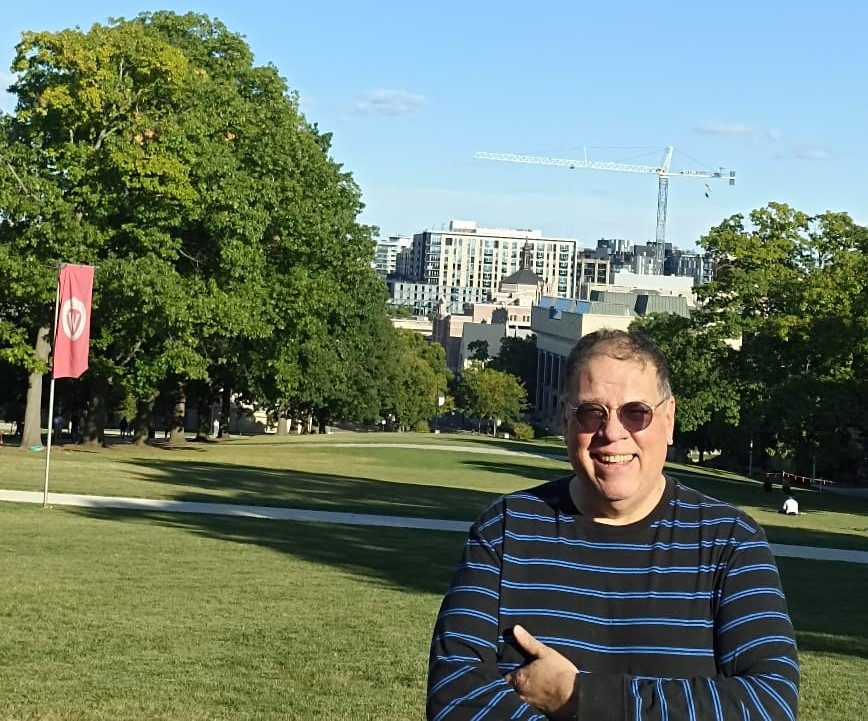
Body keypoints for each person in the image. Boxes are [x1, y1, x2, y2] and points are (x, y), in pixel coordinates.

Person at [427, 329, 799, 720]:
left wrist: (579, 697)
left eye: (635, 413)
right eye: (592, 413)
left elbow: (769, 703)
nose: (613, 433)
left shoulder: (731, 543)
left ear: (668, 420)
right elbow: (454, 697)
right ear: (566, 417)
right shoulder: (505, 531)